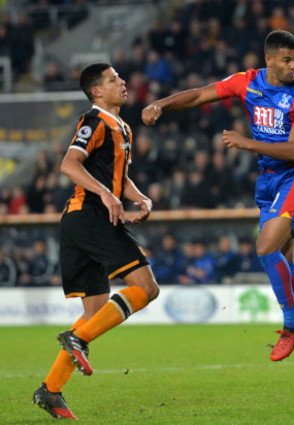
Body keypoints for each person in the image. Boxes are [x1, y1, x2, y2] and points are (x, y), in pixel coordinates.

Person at [142, 30, 294, 368]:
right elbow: (198, 96)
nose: (293, 66)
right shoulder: (246, 81)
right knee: (282, 261)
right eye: (286, 60)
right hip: (269, 180)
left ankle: (292, 325)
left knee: (265, 247)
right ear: (268, 60)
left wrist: (246, 143)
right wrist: (161, 104)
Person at [33, 63, 160, 420]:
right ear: (96, 92)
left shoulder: (121, 126)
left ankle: (51, 389)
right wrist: (107, 195)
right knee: (146, 288)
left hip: (85, 219)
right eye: (112, 79)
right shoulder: (95, 120)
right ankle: (80, 339)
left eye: (119, 77)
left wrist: (140, 197)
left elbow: (119, 178)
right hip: (89, 216)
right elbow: (69, 164)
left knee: (93, 312)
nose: (122, 82)